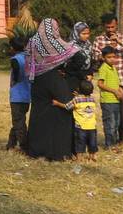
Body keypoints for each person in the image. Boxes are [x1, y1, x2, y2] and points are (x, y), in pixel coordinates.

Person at [25, 17, 81, 161]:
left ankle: (37, 150)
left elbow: (28, 62)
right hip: (52, 79)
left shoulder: (32, 41)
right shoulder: (53, 41)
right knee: (63, 112)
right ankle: (60, 151)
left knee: (40, 114)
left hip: (37, 81)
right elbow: (75, 53)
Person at [93, 13, 123, 145]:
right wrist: (106, 55)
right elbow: (94, 55)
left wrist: (119, 43)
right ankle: (110, 138)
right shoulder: (99, 39)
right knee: (110, 110)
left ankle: (122, 139)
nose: (111, 30)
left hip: (122, 78)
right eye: (108, 27)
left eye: (113, 27)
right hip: (108, 80)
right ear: (104, 26)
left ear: (116, 25)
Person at [94, 45, 123, 151]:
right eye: (109, 57)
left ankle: (114, 144)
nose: (112, 59)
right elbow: (100, 84)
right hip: (107, 100)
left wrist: (120, 89)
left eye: (113, 56)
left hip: (115, 100)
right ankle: (109, 145)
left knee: (116, 123)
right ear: (103, 58)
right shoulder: (103, 68)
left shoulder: (114, 68)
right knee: (110, 124)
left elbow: (117, 82)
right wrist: (114, 91)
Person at [6, 37, 30, 151]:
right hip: (27, 95)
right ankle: (10, 144)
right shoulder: (28, 58)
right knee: (19, 120)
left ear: (13, 48)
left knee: (18, 122)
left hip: (17, 96)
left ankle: (24, 146)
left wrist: (14, 81)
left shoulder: (15, 59)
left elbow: (16, 74)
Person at [70, 77, 99, 160]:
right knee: (92, 143)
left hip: (80, 127)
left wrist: (57, 103)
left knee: (80, 143)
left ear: (79, 89)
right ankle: (93, 156)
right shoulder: (92, 99)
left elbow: (67, 107)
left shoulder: (77, 99)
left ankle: (79, 157)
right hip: (92, 126)